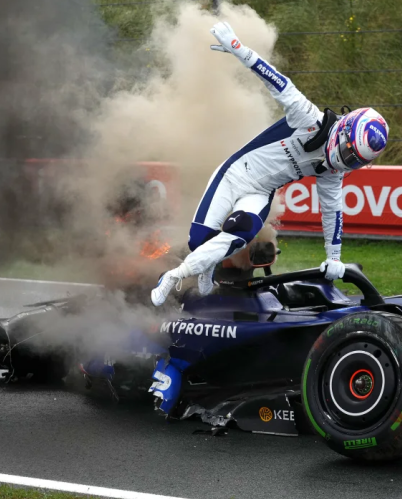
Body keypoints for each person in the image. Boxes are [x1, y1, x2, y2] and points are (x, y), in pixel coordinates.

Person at [151, 21, 389, 306]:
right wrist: (239, 48)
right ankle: (202, 268)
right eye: (349, 153)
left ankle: (183, 274)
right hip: (234, 174)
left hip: (259, 194)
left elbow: (332, 213)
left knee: (239, 236)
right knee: (198, 240)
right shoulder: (307, 117)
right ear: (344, 130)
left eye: (355, 162)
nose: (346, 162)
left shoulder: (332, 171)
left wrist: (334, 257)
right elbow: (275, 80)